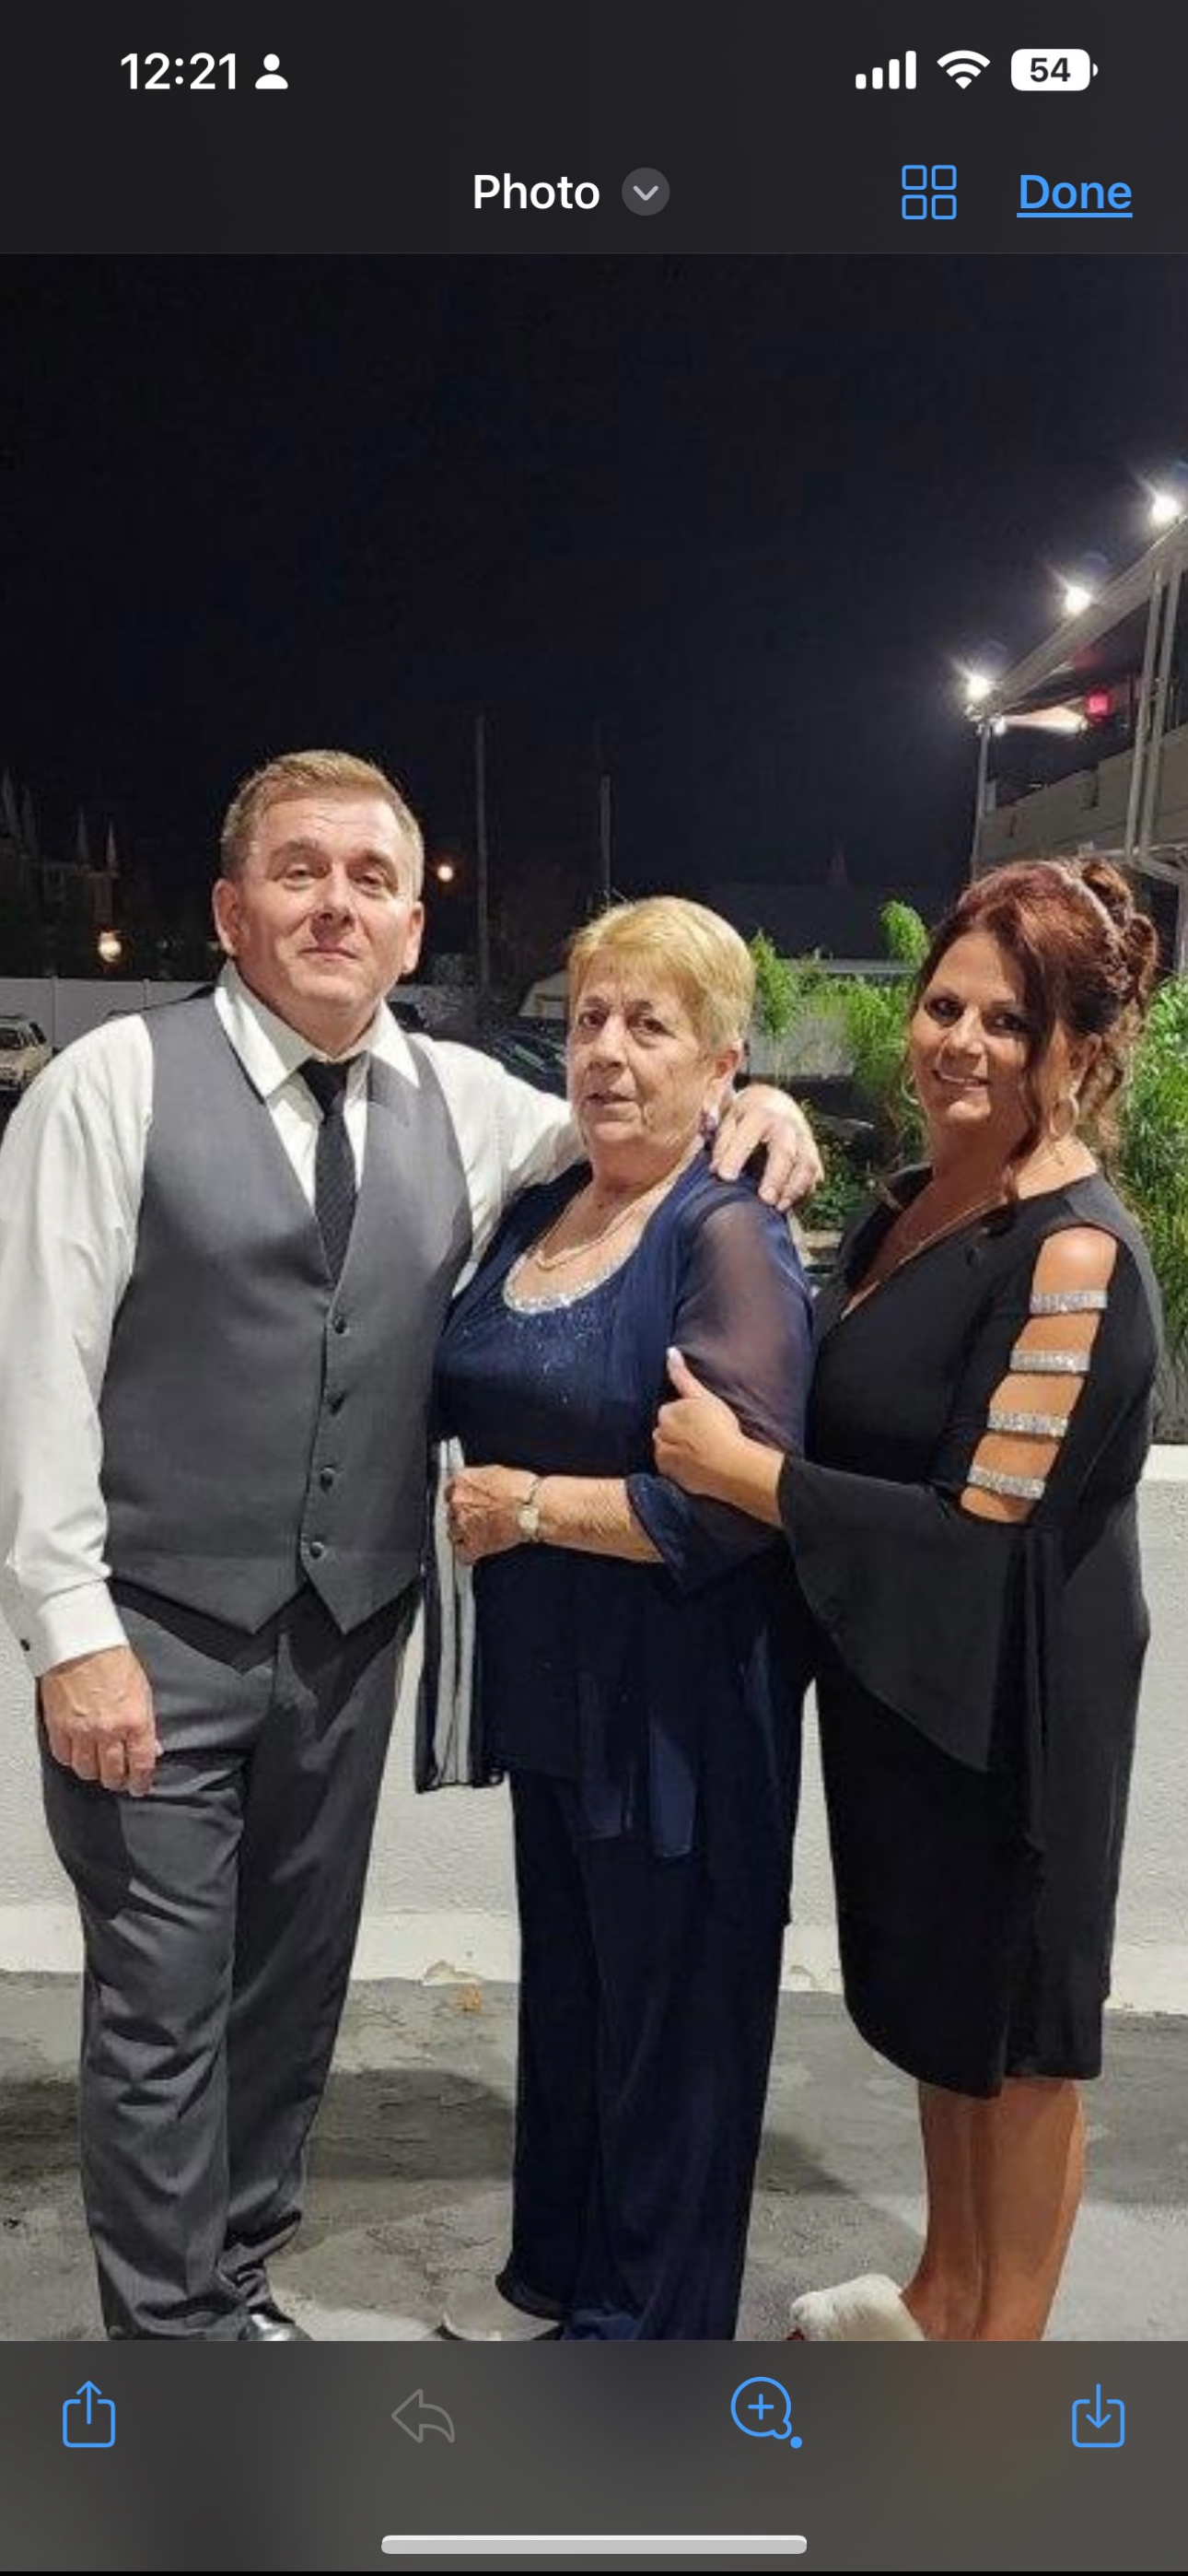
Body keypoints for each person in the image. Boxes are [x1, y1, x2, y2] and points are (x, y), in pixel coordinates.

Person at [0, 750, 820, 2342]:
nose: (337, 904)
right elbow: (36, 1372)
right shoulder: (106, 1088)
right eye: (299, 872)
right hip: (151, 1634)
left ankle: (234, 2274)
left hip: (346, 1638)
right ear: (230, 910)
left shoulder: (462, 1101)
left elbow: (634, 1119)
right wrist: (70, 1632)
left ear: (408, 925)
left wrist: (760, 1099)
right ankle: (172, 2348)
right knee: (160, 2005)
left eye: (371, 879)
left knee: (289, 1989)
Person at [655, 859, 1163, 2343]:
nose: (959, 1042)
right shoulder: (908, 1205)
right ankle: (939, 2299)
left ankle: (995, 2373)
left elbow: (982, 1530)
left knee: (1017, 2045)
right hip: (906, 1683)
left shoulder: (1070, 1252)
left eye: (1008, 1023)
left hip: (1017, 1699)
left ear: (1078, 1048)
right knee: (944, 2014)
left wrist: (745, 1476)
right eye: (944, 1006)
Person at [432, 897, 814, 2341]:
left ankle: (646, 2340)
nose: (606, 1050)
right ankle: (570, 2281)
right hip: (556, 1693)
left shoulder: (727, 1235)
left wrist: (530, 1506)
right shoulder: (545, 1207)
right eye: (589, 1017)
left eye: (649, 1025)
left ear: (721, 1065)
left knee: (673, 2029)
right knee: (582, 2001)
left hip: (678, 1703)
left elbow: (736, 1504)